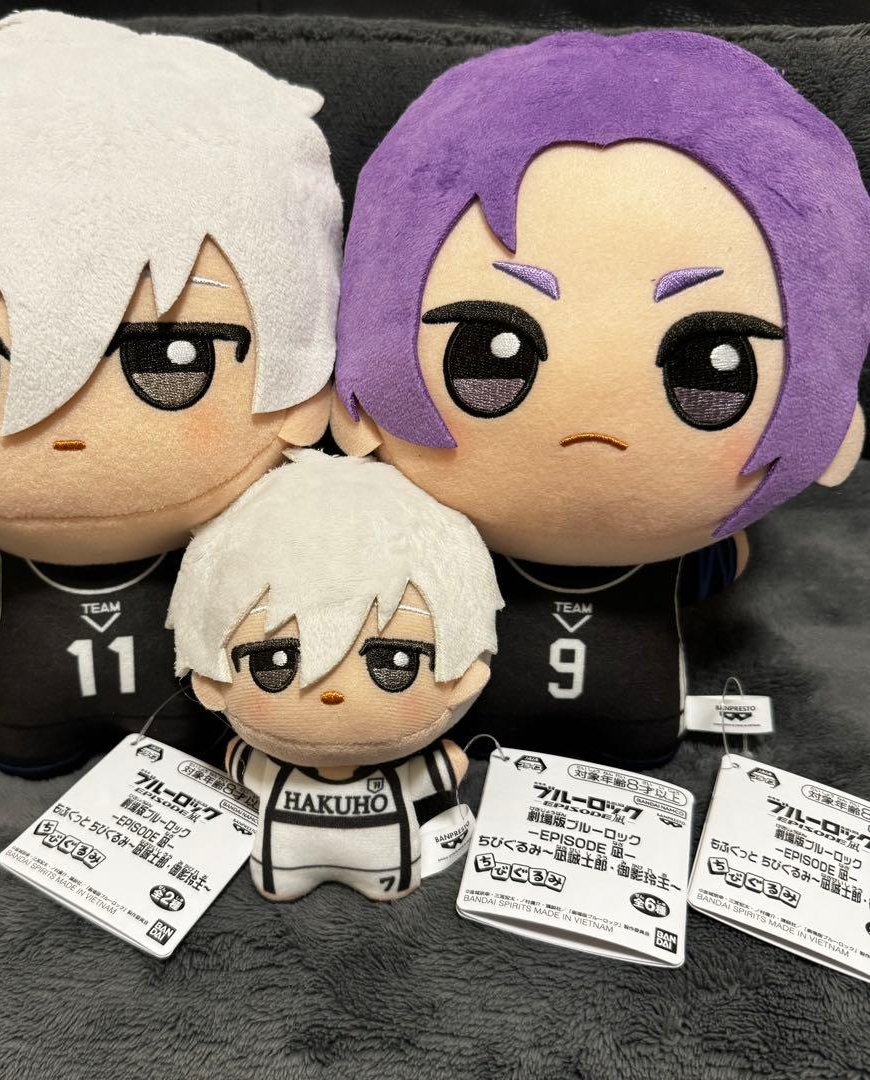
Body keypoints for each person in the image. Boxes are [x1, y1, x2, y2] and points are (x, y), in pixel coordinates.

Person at [0, 12, 342, 776]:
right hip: (35, 710)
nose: (66, 433)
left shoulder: (227, 549)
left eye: (172, 360)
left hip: (184, 730)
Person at [332, 31, 870, 766]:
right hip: (472, 721)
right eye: (491, 351)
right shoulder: (443, 553)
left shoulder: (681, 561)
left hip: (639, 724)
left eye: (710, 368)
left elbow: (726, 566)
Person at [168, 451, 504, 901]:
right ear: (209, 684)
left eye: (395, 663)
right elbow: (449, 766)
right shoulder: (270, 769)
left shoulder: (283, 771)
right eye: (274, 664)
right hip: (285, 864)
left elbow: (447, 767)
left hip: (386, 867)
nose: (331, 694)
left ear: (465, 678)